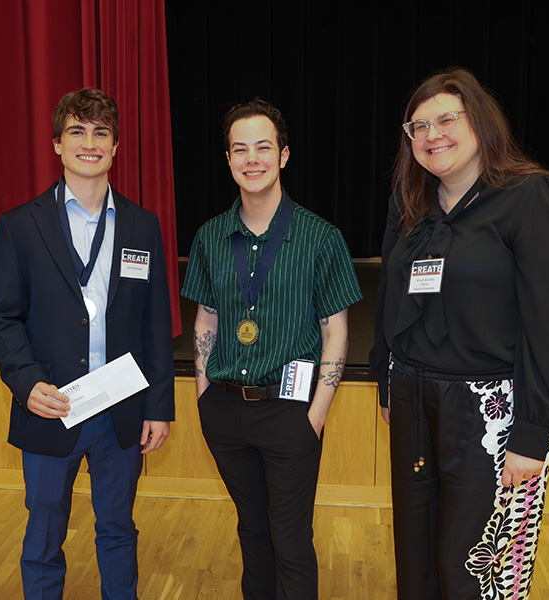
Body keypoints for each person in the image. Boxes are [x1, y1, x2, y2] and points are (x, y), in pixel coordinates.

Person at [369, 67, 549, 600]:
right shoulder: (409, 201)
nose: (432, 135)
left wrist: (533, 432)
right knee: (416, 558)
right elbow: (390, 297)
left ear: (480, 122)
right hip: (413, 397)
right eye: (419, 126)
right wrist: (386, 380)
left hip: (491, 413)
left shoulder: (531, 196)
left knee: (473, 570)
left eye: (446, 120)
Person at [0, 87, 174, 600]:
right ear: (57, 144)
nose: (89, 143)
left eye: (100, 133)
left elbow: (156, 324)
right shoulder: (19, 226)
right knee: (44, 535)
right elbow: (4, 322)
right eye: (77, 131)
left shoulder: (143, 225)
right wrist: (27, 384)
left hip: (121, 410)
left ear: (115, 147)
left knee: (118, 529)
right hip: (51, 407)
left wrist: (159, 407)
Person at [181, 98, 362, 600]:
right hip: (224, 410)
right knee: (252, 533)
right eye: (240, 150)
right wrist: (203, 394)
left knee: (291, 541)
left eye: (263, 147)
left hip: (291, 411)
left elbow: (336, 333)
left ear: (283, 155)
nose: (252, 159)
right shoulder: (210, 237)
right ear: (228, 160)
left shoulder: (321, 237)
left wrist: (316, 416)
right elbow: (207, 318)